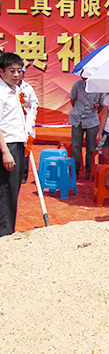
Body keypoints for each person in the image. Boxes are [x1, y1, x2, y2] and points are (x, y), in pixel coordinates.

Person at [0, 53, 28, 237]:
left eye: (19, 70)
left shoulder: (16, 91)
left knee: (14, 187)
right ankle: (5, 232)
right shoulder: (1, 93)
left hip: (17, 143)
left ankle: (9, 229)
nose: (16, 74)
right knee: (6, 189)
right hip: (6, 145)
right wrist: (5, 152)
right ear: (1, 72)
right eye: (12, 70)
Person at [68, 76, 104, 179]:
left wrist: (95, 112)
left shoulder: (99, 87)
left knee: (91, 148)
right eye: (83, 79)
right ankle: (75, 171)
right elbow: (72, 100)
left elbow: (102, 104)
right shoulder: (77, 85)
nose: (85, 81)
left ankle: (90, 171)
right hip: (77, 119)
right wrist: (78, 111)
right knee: (76, 146)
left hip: (91, 120)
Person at [16, 64, 39, 184]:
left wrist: (30, 105)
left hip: (25, 121)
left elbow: (35, 103)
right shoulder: (9, 87)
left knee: (26, 148)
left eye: (20, 72)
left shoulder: (28, 88)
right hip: (14, 122)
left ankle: (23, 174)